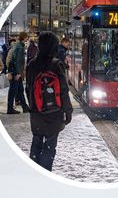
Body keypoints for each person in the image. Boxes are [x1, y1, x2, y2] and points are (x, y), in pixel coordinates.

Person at [26, 31, 73, 172]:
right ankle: (45, 172)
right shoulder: (57, 64)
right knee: (50, 145)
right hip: (54, 112)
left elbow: (28, 88)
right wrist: (68, 111)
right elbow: (64, 90)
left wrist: (34, 107)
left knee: (36, 142)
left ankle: (34, 171)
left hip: (36, 112)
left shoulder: (32, 64)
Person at [7, 32, 30, 114]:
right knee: (13, 91)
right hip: (16, 72)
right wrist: (18, 73)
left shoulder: (19, 45)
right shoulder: (20, 47)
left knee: (20, 90)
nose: (28, 38)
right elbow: (18, 61)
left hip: (15, 71)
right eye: (27, 37)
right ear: (24, 37)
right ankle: (10, 109)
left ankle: (25, 107)